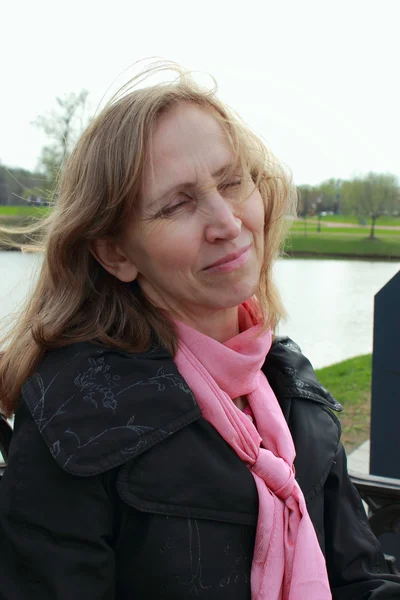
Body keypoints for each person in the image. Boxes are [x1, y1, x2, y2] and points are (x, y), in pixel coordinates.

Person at [0, 62, 399, 600]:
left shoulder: (294, 392)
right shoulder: (74, 420)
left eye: (233, 182)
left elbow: (356, 579)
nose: (228, 223)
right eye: (178, 204)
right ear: (116, 253)